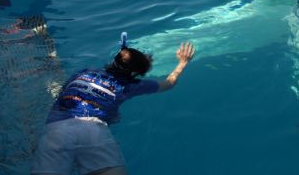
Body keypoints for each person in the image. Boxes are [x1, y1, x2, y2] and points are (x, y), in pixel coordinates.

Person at [31, 36, 195, 175]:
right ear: (134, 74)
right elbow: (169, 83)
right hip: (93, 131)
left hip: (57, 130)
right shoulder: (130, 86)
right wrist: (182, 62)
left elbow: (62, 94)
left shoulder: (84, 72)